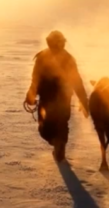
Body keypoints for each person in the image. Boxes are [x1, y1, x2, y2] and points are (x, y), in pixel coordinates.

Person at [24, 30, 89, 162]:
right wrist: (30, 94)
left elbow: (76, 81)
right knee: (58, 125)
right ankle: (59, 145)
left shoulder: (48, 57)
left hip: (54, 99)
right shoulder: (46, 57)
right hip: (56, 99)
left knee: (49, 126)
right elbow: (35, 79)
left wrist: (84, 101)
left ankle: (59, 147)